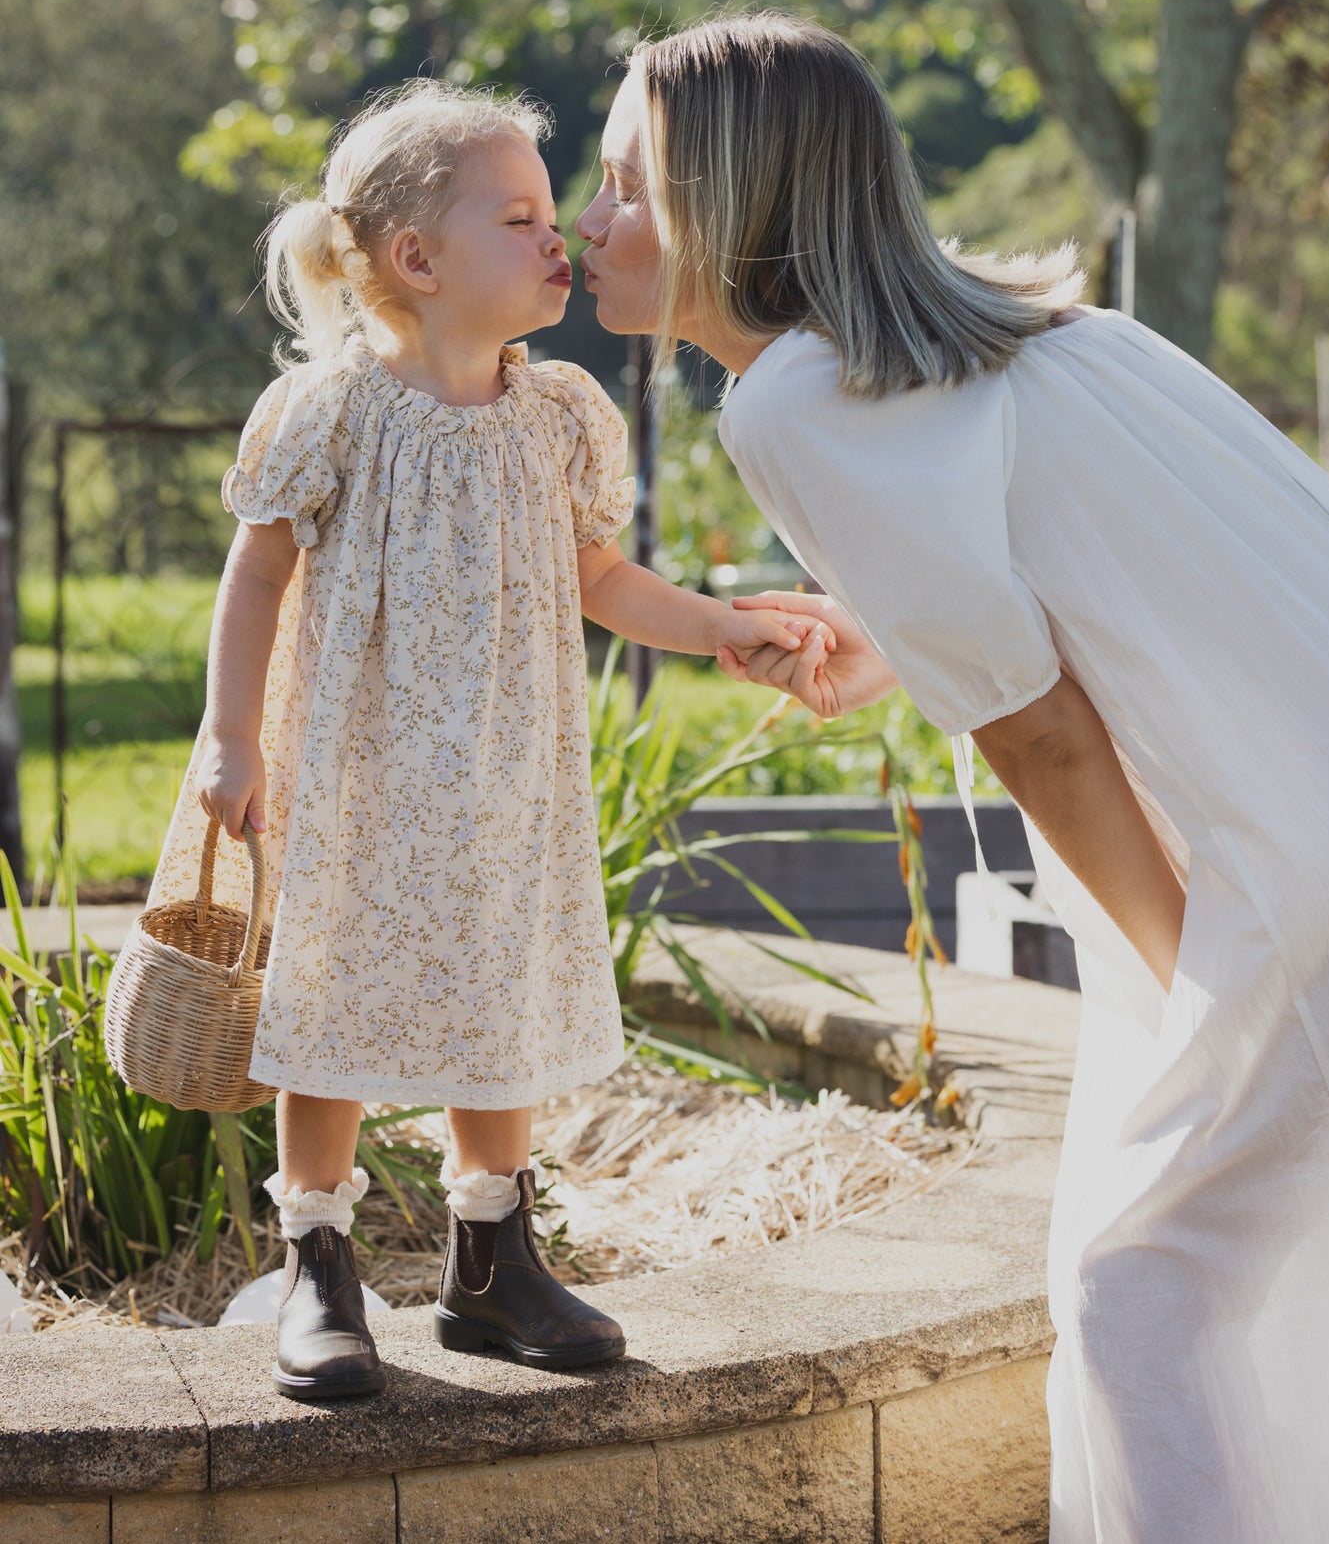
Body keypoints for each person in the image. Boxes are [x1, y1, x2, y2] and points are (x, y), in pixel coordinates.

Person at [575, 11, 1329, 1542]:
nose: (592, 222)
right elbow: (1099, 575)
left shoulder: (786, 398)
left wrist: (1188, 975)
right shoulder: (1045, 337)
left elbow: (1041, 732)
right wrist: (891, 641)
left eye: (628, 185)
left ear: (735, 200)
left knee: (1138, 1284)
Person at [149, 79, 829, 1401]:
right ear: (416, 258)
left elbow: (601, 579)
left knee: (501, 1004)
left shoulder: (559, 411)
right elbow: (254, 578)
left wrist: (722, 626)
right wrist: (228, 739)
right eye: (519, 216)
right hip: (356, 777)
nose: (556, 233)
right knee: (331, 1012)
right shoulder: (331, 411)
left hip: (510, 781)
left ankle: (489, 1259)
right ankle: (319, 1264)